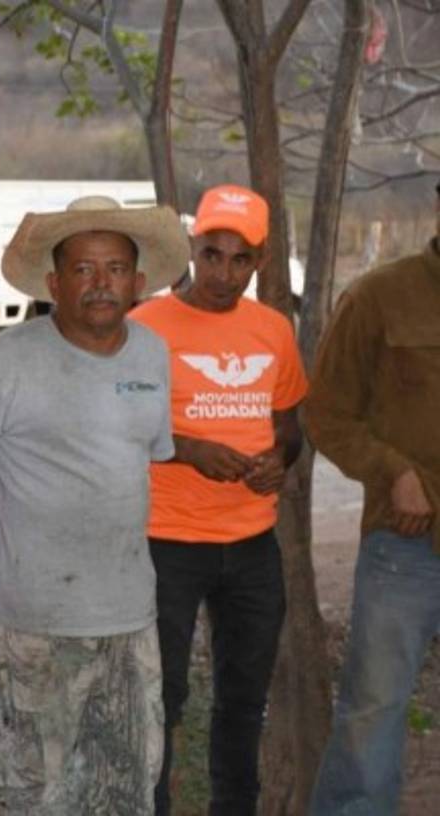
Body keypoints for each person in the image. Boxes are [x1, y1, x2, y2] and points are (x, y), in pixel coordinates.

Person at [0, 196, 187, 814]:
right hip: (38, 619)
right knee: (42, 794)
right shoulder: (9, 358)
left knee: (128, 789)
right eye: (83, 269)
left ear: (138, 282)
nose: (101, 283)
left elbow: (146, 454)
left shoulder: (152, 353)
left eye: (115, 268)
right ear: (54, 284)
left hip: (130, 614)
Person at [128, 185, 308, 815]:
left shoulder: (273, 330)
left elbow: (290, 428)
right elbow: (116, 428)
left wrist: (278, 461)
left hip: (252, 545)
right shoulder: (145, 327)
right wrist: (187, 450)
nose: (223, 273)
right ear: (191, 246)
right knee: (161, 697)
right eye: (211, 254)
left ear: (260, 261)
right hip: (166, 542)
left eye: (240, 260)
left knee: (244, 700)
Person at [308, 182, 440, 814]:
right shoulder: (379, 296)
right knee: (373, 711)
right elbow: (326, 414)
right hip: (406, 544)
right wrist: (393, 472)